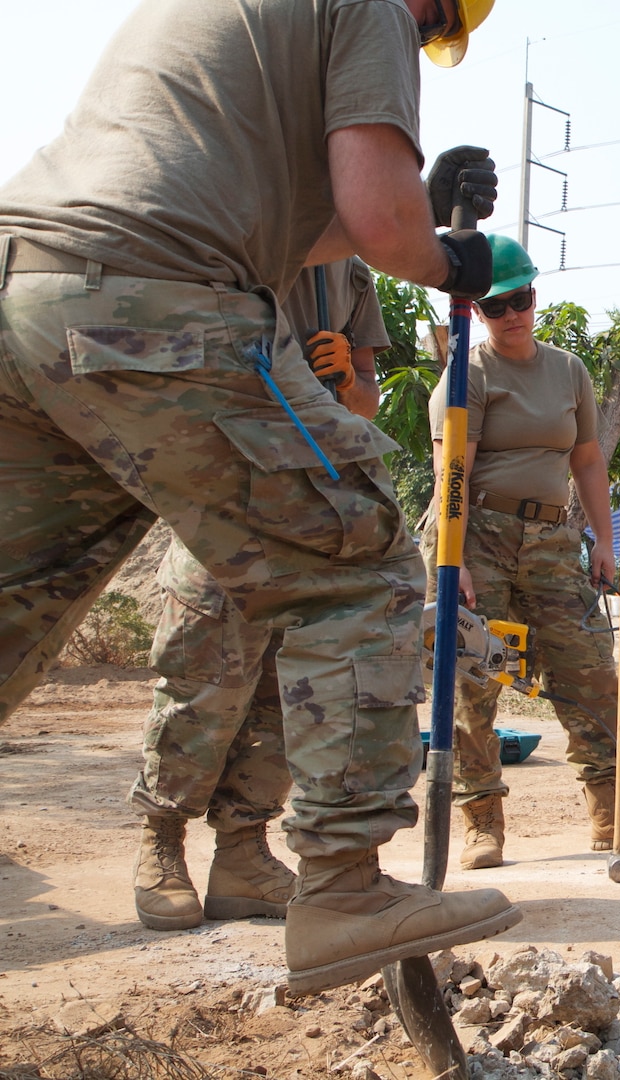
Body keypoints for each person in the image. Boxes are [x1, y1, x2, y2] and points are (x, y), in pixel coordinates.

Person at [0, 0, 521, 997]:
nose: (424, 36)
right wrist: (450, 255)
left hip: (26, 295)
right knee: (358, 557)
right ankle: (344, 891)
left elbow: (311, 221)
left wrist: (423, 185)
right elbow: (381, 223)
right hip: (144, 302)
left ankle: (263, 853)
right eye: (440, 21)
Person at [127, 259, 391, 931]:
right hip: (226, 492)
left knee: (285, 688)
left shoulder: (352, 280)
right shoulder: (241, 242)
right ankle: (161, 843)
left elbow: (366, 400)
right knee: (204, 673)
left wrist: (347, 379)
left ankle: (242, 854)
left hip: (309, 502)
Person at [423, 235, 620, 868]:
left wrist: (601, 540)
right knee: (472, 682)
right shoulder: (467, 376)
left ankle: (610, 811)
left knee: (590, 669)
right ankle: (482, 821)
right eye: (498, 305)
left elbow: (588, 459)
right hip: (477, 535)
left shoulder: (568, 370)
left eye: (524, 298)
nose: (514, 314)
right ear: (476, 312)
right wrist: (451, 564)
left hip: (552, 538)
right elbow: (450, 473)